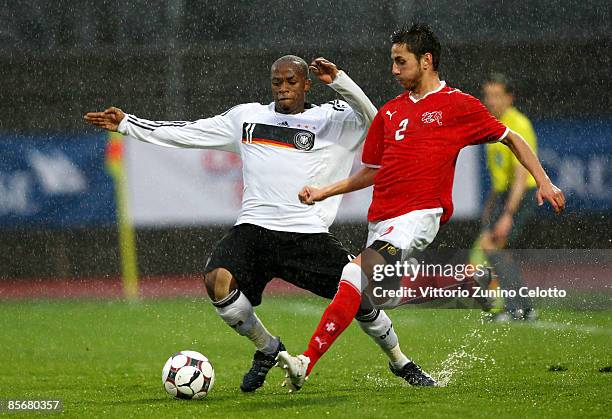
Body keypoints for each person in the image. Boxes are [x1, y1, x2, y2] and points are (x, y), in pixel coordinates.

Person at [84, 56, 430, 392]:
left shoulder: (332, 119)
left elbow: (376, 122)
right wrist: (129, 123)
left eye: (291, 82)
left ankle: (400, 361)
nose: (283, 88)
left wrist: (340, 81)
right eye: (277, 82)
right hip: (254, 230)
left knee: (359, 298)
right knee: (216, 281)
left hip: (306, 235)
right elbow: (189, 132)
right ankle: (268, 348)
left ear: (307, 85)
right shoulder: (247, 118)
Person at [277, 24, 565, 392]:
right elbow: (373, 172)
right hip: (381, 220)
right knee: (369, 302)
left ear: (426, 61)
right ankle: (421, 322)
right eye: (392, 62)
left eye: (401, 62)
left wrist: (543, 180)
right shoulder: (391, 113)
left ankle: (305, 362)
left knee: (352, 274)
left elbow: (513, 139)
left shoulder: (458, 105)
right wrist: (325, 191)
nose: (394, 70)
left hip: (418, 217)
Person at [472, 73, 540, 321]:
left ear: (510, 98)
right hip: (505, 195)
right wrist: (491, 206)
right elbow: (499, 178)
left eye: (497, 96)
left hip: (521, 194)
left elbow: (521, 177)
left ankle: (515, 308)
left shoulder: (518, 125)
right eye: (488, 96)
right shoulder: (493, 123)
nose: (491, 101)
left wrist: (508, 215)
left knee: (492, 246)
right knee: (499, 250)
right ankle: (524, 308)